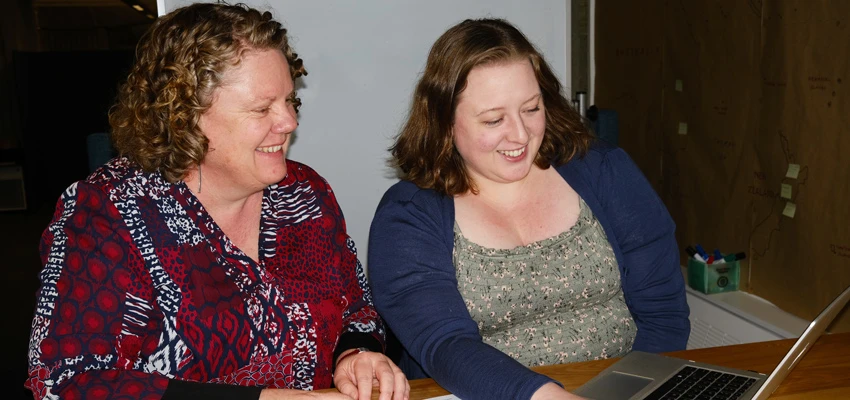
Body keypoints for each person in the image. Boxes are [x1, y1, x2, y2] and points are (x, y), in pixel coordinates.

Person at [25, 3, 408, 400]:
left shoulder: (304, 194)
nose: (290, 122)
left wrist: (357, 352)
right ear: (184, 116)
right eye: (262, 108)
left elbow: (356, 307)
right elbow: (67, 382)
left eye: (291, 101)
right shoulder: (107, 213)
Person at [368, 18, 689, 400]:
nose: (520, 135)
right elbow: (446, 345)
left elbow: (663, 312)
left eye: (531, 109)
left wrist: (631, 392)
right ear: (445, 122)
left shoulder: (605, 171)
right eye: (494, 119)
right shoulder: (407, 216)